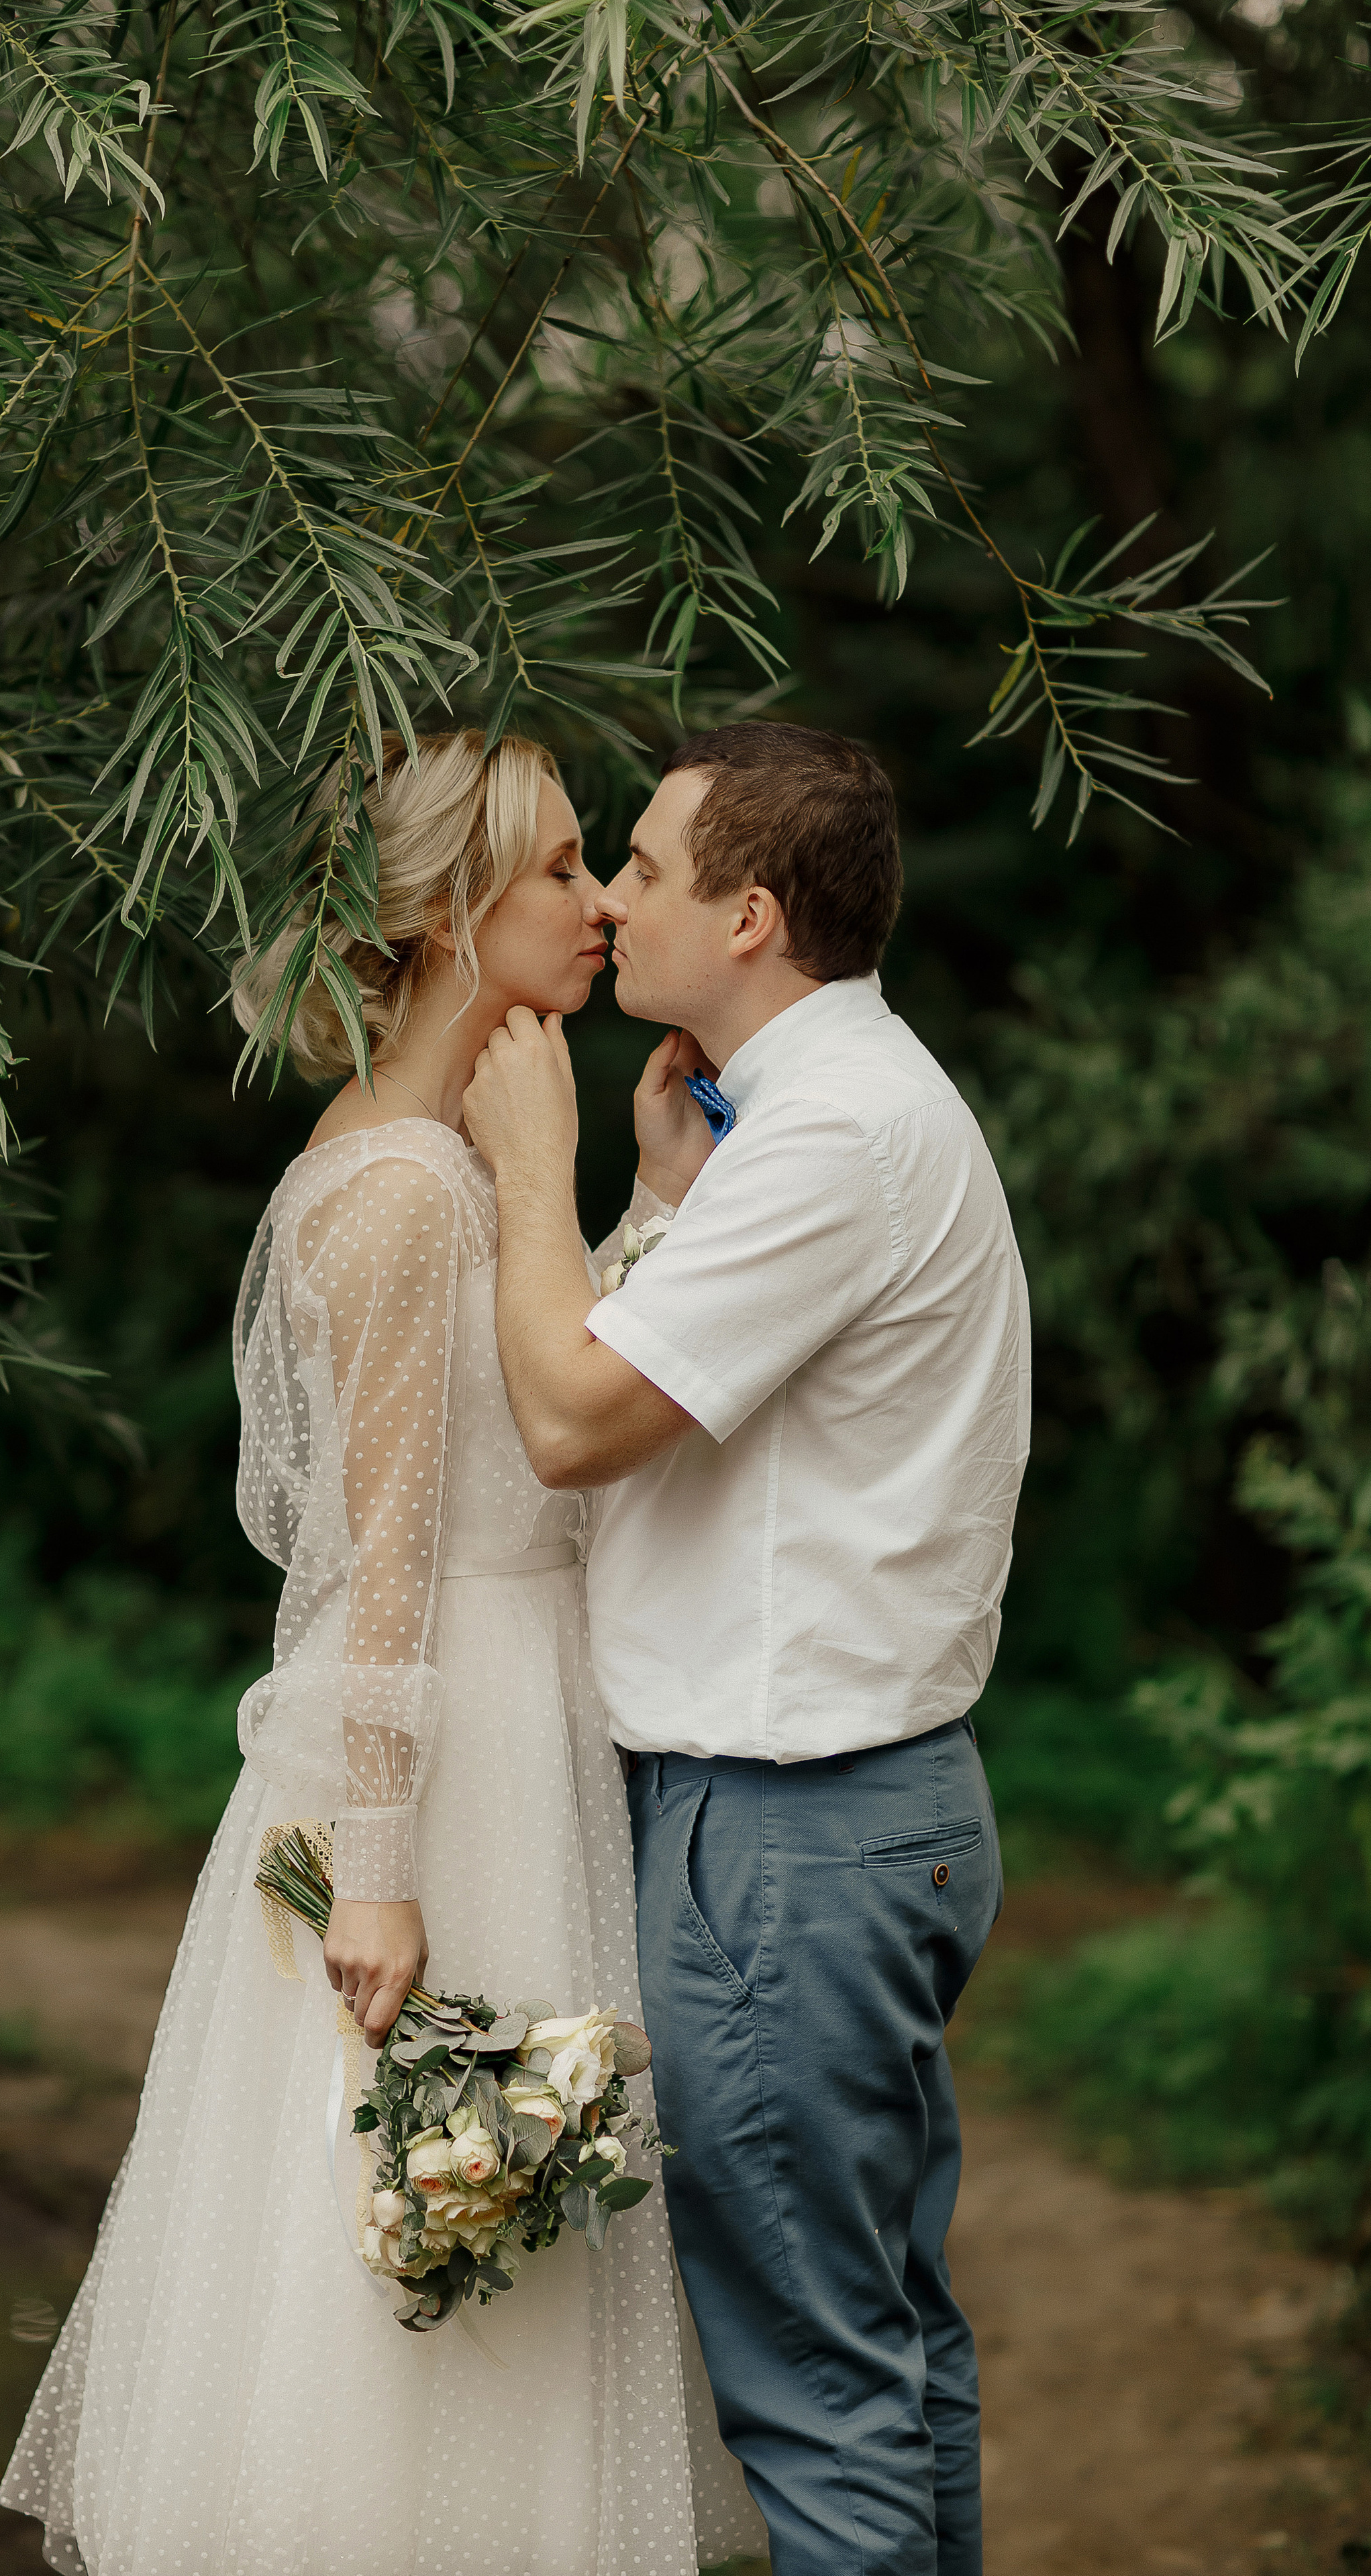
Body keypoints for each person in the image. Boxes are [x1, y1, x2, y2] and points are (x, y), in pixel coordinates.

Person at [0, 729, 765, 2576]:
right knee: (432, 2209)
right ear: (441, 912)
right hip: (445, 1749)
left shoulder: (441, 1159)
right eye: (560, 868)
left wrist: (642, 1201)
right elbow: (394, 1559)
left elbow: (540, 1416)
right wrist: (384, 1868)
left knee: (491, 2202)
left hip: (502, 1708)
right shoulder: (408, 1187)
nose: (599, 904)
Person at [460, 722, 1031, 2576]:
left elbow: (572, 1422)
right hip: (860, 1819)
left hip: (789, 1836)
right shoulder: (822, 1118)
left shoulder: (838, 1138)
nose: (613, 900)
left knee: (815, 2394)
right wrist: (655, 1202)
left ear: (753, 918)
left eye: (641, 866)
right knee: (889, 2353)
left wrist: (532, 1166)